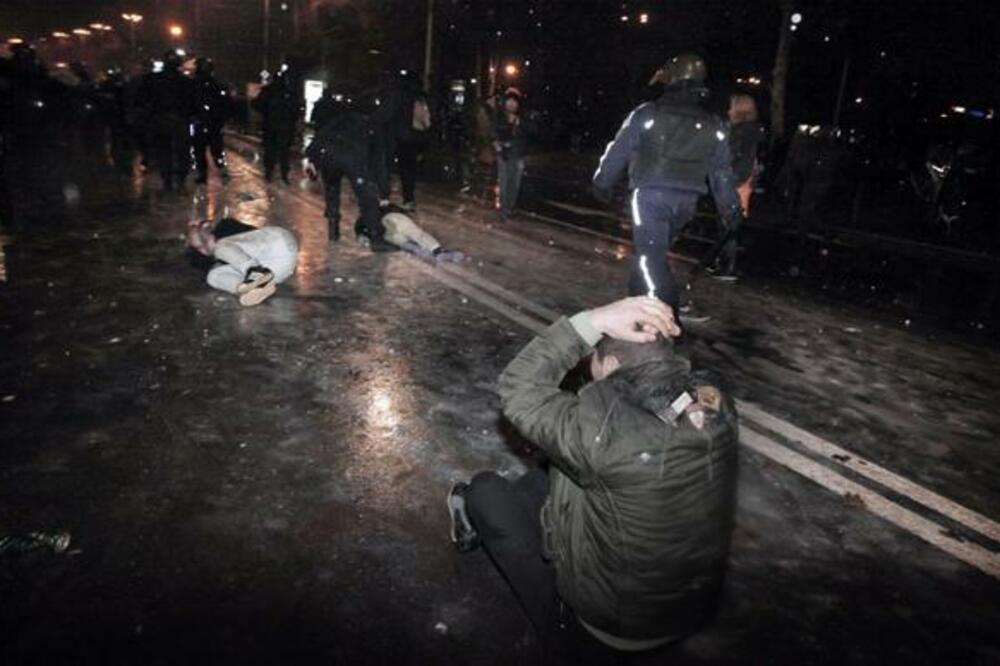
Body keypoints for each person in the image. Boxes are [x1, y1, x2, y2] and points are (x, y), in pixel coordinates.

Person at [447, 296, 738, 656]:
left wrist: (594, 321)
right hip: (685, 609)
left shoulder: (600, 435)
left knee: (485, 492)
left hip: (603, 630)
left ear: (611, 364)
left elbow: (518, 387)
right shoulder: (716, 401)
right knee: (555, 470)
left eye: (594, 360)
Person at [592, 54, 744, 319]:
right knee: (653, 253)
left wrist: (603, 182)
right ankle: (637, 300)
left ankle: (668, 307)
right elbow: (721, 172)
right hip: (687, 201)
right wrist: (730, 209)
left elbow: (619, 150)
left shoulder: (648, 113)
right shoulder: (714, 124)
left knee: (650, 257)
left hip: (650, 195)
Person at [303, 95, 396, 252]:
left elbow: (322, 135)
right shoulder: (374, 127)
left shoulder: (342, 118)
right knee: (367, 198)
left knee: (332, 191)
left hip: (329, 157)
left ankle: (333, 229)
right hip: (353, 159)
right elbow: (379, 162)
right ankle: (376, 238)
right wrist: (384, 192)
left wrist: (312, 157)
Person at [710, 93, 764, 281]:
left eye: (732, 107)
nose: (729, 110)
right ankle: (723, 262)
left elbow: (735, 157)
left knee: (729, 221)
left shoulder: (742, 131)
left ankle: (727, 266)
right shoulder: (748, 130)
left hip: (734, 180)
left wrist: (730, 178)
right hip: (738, 179)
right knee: (728, 220)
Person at [186, 218, 298, 306]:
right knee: (212, 276)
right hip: (278, 270)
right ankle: (251, 289)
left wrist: (205, 230)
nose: (203, 249)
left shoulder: (225, 228)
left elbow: (251, 234)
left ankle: (256, 272)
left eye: (203, 242)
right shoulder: (217, 258)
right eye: (199, 249)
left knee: (220, 247)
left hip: (276, 243)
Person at [136, 50, 195, 191]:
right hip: (179, 119)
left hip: (160, 119)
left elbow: (141, 99)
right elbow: (193, 102)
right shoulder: (185, 82)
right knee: (182, 151)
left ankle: (167, 179)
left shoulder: (152, 80)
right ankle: (179, 180)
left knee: (163, 150)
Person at [253, 66, 302, 184]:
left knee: (270, 150)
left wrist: (265, 112)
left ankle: (269, 173)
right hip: (285, 127)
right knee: (284, 152)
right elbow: (296, 110)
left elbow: (257, 104)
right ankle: (284, 175)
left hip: (270, 126)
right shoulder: (289, 93)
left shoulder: (268, 91)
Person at [493, 88, 534, 220]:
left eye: (514, 102)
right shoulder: (500, 116)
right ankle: (503, 210)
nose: (511, 104)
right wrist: (496, 143)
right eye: (509, 101)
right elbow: (494, 131)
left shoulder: (523, 117)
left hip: (518, 154)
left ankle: (510, 207)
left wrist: (518, 122)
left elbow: (533, 130)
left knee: (515, 183)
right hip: (504, 153)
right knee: (503, 183)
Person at [191, 57, 231, 184]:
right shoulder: (216, 85)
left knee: (201, 150)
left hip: (203, 122)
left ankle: (205, 173)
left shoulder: (195, 85)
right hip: (211, 122)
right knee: (214, 149)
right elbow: (226, 104)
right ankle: (219, 170)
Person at [372, 210, 464, 263]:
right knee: (415, 233)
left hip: (384, 232)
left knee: (399, 239)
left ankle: (414, 247)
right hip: (390, 218)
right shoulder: (392, 214)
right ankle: (437, 251)